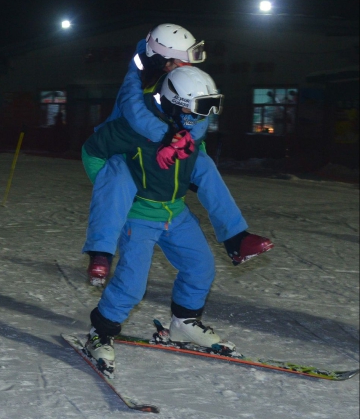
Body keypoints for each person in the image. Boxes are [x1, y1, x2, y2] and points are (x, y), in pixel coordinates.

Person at [82, 24, 272, 285]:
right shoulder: (139, 76)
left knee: (205, 166)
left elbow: (200, 117)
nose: (188, 68)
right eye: (181, 62)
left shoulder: (179, 76)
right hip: (127, 147)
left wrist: (186, 140)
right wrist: (167, 137)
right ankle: (101, 251)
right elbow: (136, 114)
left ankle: (236, 238)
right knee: (117, 180)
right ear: (162, 61)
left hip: (173, 145)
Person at [81, 67, 239, 377]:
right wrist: (115, 189)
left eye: (209, 109)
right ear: (173, 102)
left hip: (176, 213)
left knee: (200, 266)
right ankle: (100, 332)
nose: (203, 117)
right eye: (197, 109)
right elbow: (92, 151)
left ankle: (184, 323)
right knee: (131, 285)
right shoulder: (134, 128)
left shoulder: (192, 130)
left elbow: (196, 162)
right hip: (139, 216)